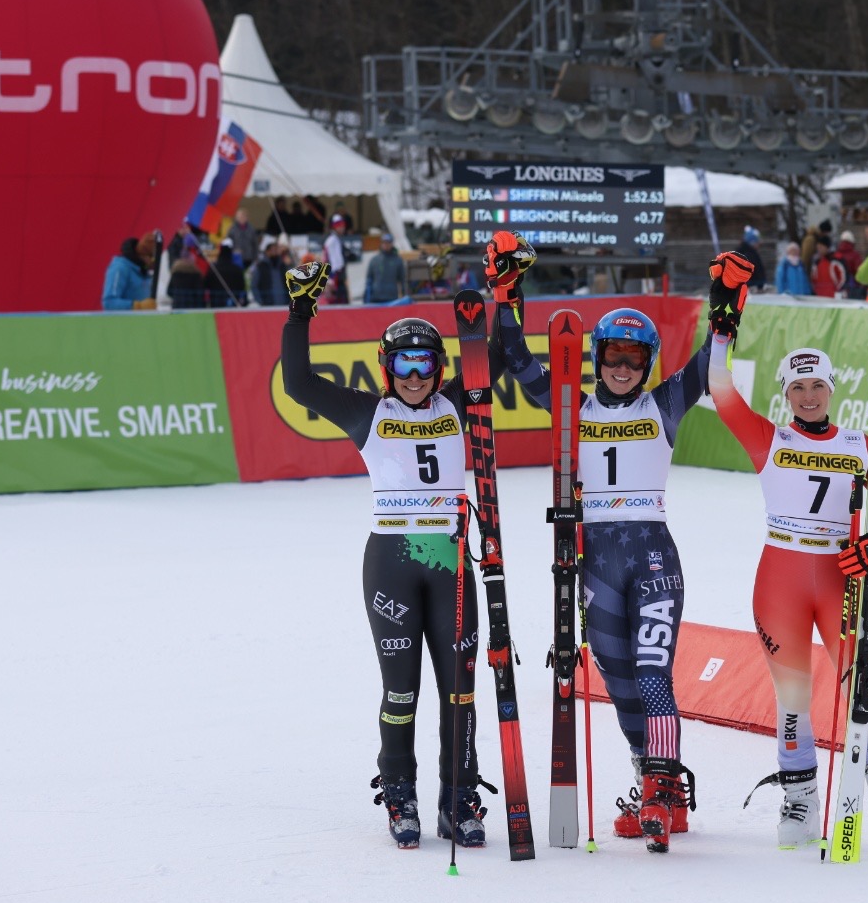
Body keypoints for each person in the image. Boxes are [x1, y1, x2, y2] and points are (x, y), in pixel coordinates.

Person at [703, 272, 868, 853]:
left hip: (843, 581)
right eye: (798, 388)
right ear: (785, 395)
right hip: (781, 579)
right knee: (791, 697)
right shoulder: (769, 440)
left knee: (866, 686)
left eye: (817, 386)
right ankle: (798, 807)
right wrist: (723, 330)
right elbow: (721, 389)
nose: (808, 396)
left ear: (831, 389)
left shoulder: (860, 445)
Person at [488, 231, 714, 852]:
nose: (621, 367)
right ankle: (650, 780)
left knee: (653, 674)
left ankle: (666, 790)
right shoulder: (570, 404)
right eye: (612, 355)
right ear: (595, 358)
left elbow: (708, 364)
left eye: (634, 358)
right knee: (616, 678)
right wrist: (506, 294)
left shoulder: (666, 402)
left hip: (651, 556)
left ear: (647, 364)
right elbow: (518, 361)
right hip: (594, 560)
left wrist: (726, 304)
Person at [279, 259, 503, 850]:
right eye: (402, 362)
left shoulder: (458, 404)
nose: (413, 375)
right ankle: (399, 793)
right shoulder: (367, 412)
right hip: (391, 561)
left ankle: (459, 797)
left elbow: (498, 350)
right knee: (401, 690)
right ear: (387, 367)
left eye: (425, 362)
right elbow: (299, 383)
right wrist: (301, 310)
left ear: (440, 368)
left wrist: (507, 292)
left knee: (460, 689)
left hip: (449, 561)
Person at [101, 236, 158, 311]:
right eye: (152, 258)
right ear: (143, 256)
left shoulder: (144, 272)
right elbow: (109, 302)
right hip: (121, 321)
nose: (153, 263)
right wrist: (137, 306)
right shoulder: (120, 268)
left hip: (140, 321)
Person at [363, 235, 409, 304]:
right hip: (376, 297)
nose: (386, 245)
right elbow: (369, 280)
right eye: (384, 242)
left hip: (391, 298)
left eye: (388, 243)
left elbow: (403, 280)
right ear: (381, 244)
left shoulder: (398, 260)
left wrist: (405, 296)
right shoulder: (374, 260)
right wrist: (367, 297)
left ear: (392, 244)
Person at [251, 243, 291, 307]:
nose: (276, 252)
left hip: (284, 305)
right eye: (273, 250)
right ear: (267, 252)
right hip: (267, 305)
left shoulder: (283, 266)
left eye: (277, 250)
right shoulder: (261, 267)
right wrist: (260, 302)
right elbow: (254, 286)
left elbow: (291, 282)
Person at [324, 214, 352, 304]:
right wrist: (331, 280)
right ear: (334, 227)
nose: (342, 228)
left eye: (343, 225)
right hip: (335, 279)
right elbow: (335, 263)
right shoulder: (332, 240)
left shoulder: (337, 239)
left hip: (339, 278)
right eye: (339, 226)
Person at [211, 238, 248, 306]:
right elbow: (242, 286)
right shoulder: (237, 269)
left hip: (217, 302)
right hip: (233, 301)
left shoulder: (214, 269)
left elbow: (208, 284)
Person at [810, 234, 848, 298]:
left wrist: (839, 291)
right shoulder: (816, 262)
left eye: (821, 247)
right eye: (818, 247)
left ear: (827, 247)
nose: (819, 249)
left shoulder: (836, 260)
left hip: (834, 296)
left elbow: (844, 278)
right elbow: (813, 280)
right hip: (819, 296)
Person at [834, 229, 864, 299]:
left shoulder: (836, 254)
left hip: (838, 288)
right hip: (853, 287)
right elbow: (859, 271)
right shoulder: (855, 255)